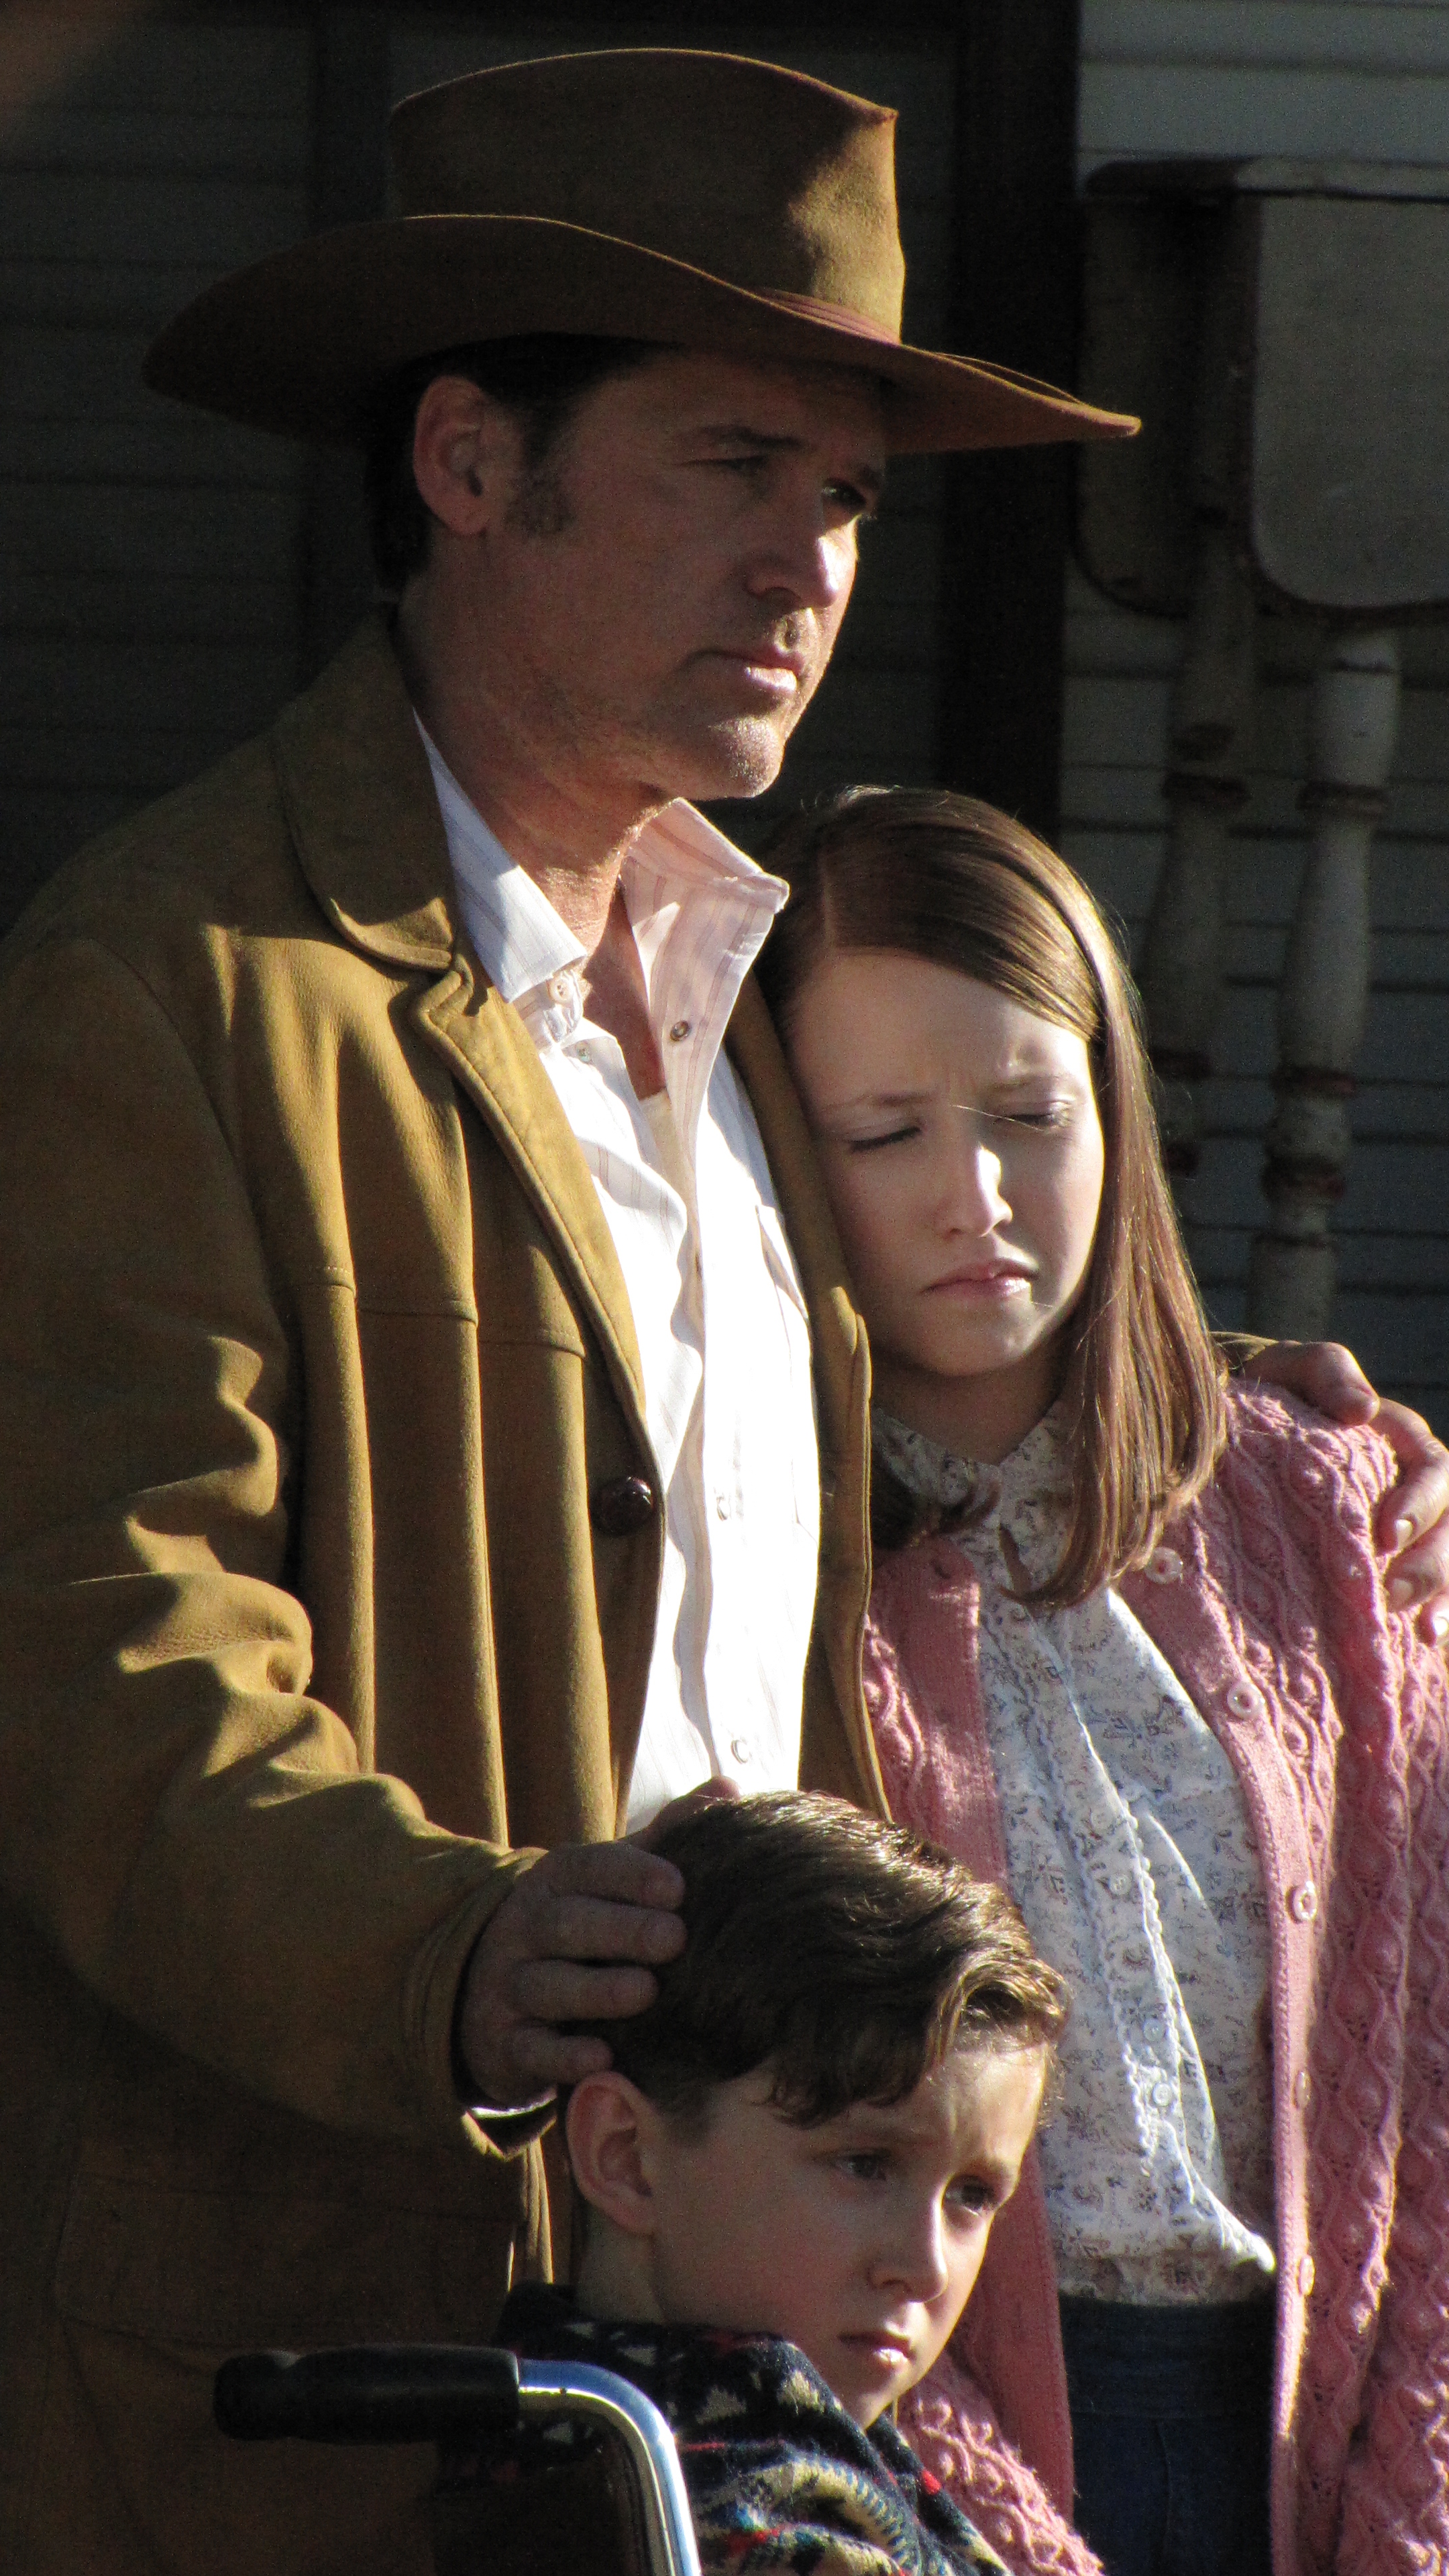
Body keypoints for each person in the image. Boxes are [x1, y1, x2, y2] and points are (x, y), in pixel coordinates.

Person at [0, 46, 1443, 2576]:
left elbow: (935, 1426)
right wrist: (451, 1948)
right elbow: (93, 1648)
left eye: (851, 497)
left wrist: (1248, 1437)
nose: (811, 565)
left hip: (744, 2411)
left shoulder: (749, 1010)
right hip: (338, 2379)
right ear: (469, 464)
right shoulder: (168, 984)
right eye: (732, 470)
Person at [755, 787, 1449, 2576]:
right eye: (885, 1130)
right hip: (917, 2454)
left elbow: (1430, 2086)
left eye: (1029, 1116)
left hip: (1325, 2427)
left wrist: (1405, 2516)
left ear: (1116, 1114)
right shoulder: (755, 1555)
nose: (973, 1197)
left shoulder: (1323, 1508)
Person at [497, 1788, 1065, 2576]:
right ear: (625, 2155)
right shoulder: (715, 2519)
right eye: (865, 2165)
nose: (926, 2265)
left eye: (972, 2194)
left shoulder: (556, 2434)